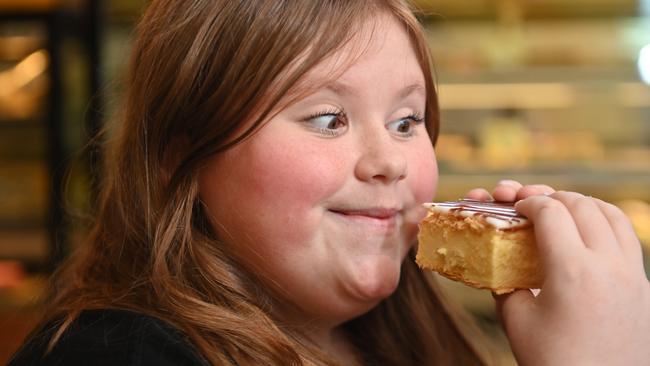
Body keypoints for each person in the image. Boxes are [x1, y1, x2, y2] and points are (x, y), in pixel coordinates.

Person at [9, 1, 650, 365]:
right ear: (183, 162)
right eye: (328, 119)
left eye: (407, 121)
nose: (390, 161)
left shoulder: (409, 340)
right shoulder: (112, 357)